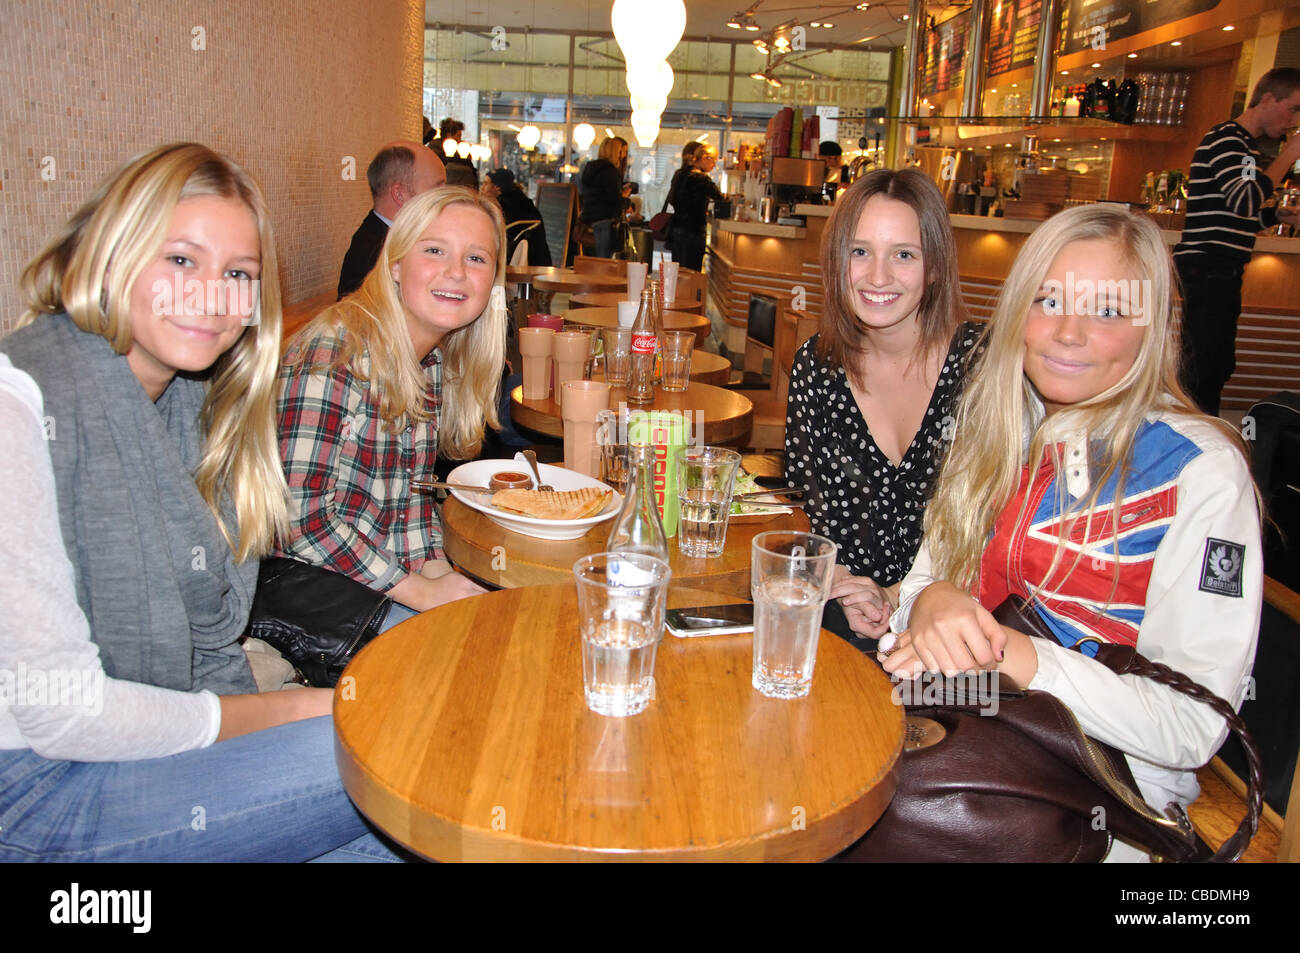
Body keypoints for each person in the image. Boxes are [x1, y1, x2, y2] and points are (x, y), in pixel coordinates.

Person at [0, 143, 398, 861]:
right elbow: (63, 713)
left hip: (134, 749)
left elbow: (212, 641)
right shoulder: (20, 403)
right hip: (30, 787)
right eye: (180, 259)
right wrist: (287, 707)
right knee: (386, 757)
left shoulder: (199, 407)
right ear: (112, 255)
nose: (209, 295)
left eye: (237, 273)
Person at [882, 204, 1261, 859]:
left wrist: (1018, 656)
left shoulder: (1201, 472)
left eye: (1108, 310)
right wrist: (932, 599)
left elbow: (1193, 725)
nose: (1068, 332)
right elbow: (919, 587)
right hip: (973, 721)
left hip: (1105, 805)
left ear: (1152, 329)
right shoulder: (1000, 427)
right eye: (1048, 299)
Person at [278, 186, 504, 621]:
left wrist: (440, 577)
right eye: (435, 250)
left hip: (375, 581)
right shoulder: (334, 352)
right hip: (308, 595)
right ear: (396, 264)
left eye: (476, 258)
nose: (456, 272)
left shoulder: (430, 361)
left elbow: (411, 505)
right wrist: (420, 592)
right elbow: (297, 522)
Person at [785, 168, 982, 650]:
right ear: (838, 261)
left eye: (903, 255)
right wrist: (850, 590)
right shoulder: (817, 365)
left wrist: (899, 596)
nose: (877, 276)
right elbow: (810, 514)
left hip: (955, 626)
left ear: (934, 266)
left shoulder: (983, 368)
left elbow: (1000, 530)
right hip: (845, 618)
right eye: (860, 252)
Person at [1174, 67, 1300, 416]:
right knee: (1206, 364)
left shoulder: (1243, 146)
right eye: (1292, 109)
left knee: (1213, 362)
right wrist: (1288, 156)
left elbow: (1238, 213)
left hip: (1217, 266)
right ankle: (1196, 440)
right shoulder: (1228, 139)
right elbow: (1245, 199)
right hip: (1209, 265)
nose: (1293, 121)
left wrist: (1275, 217)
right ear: (1269, 98)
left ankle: (1197, 434)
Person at [338, 140, 446, 299]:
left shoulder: (397, 240)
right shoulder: (376, 255)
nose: (445, 199)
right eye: (438, 188)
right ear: (399, 194)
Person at [665, 142, 723, 272]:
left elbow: (673, 200)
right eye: (713, 161)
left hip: (677, 229)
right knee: (691, 272)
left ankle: (676, 292)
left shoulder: (679, 174)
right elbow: (720, 199)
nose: (714, 165)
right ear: (704, 158)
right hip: (693, 231)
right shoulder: (701, 179)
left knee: (678, 271)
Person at [482, 167, 552, 266]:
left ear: (497, 187)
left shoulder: (500, 208)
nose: (482, 188)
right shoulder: (525, 203)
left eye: (486, 183)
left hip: (514, 266)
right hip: (539, 263)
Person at [579, 136, 631, 257]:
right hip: (605, 218)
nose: (622, 155)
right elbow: (614, 199)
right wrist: (626, 201)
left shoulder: (590, 169)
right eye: (620, 152)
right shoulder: (609, 171)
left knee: (594, 258)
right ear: (615, 152)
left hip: (590, 218)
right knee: (605, 258)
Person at [438, 117, 479, 189]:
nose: (460, 140)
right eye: (459, 136)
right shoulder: (440, 154)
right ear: (449, 135)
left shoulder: (461, 152)